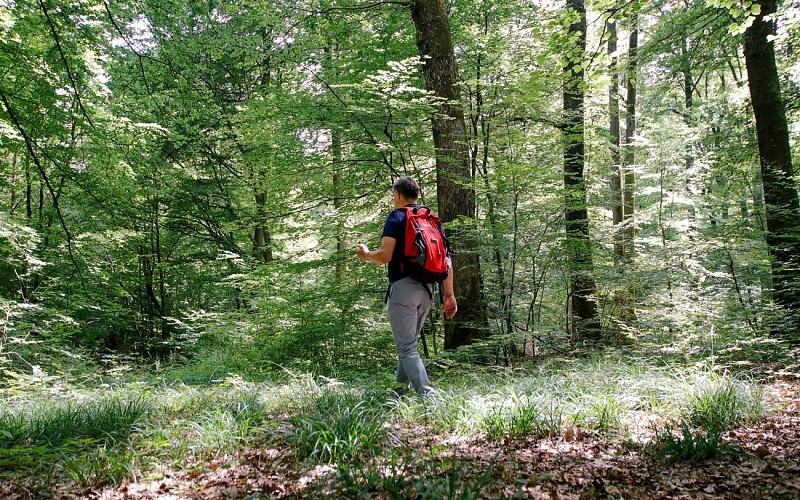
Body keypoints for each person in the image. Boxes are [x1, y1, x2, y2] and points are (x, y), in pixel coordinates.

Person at [356, 176, 457, 397]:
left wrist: (366, 255)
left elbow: (384, 256)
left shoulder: (397, 217)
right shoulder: (431, 221)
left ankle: (428, 398)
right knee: (408, 346)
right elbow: (446, 261)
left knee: (406, 348)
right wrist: (449, 294)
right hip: (428, 291)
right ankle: (398, 396)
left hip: (404, 290)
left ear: (397, 194)